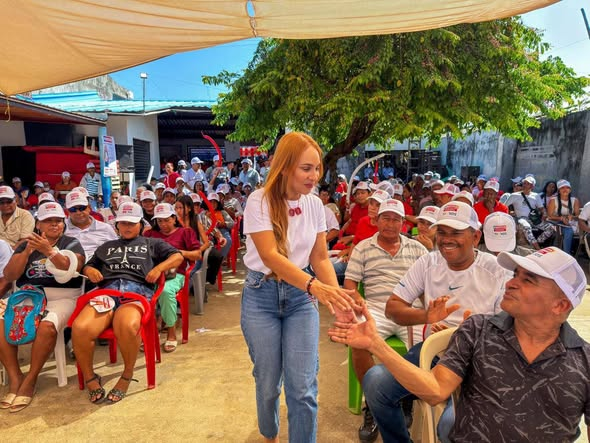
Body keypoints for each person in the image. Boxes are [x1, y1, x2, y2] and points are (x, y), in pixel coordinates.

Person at [330, 246, 589, 443]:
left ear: (560, 305)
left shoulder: (584, 362)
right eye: (515, 275)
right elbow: (436, 389)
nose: (510, 283)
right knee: (379, 382)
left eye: (528, 280)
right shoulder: (478, 330)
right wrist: (376, 344)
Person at [355, 201, 509, 442]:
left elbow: (508, 330)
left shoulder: (498, 271)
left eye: (456, 232)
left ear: (476, 236)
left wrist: (466, 333)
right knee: (375, 382)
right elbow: (392, 309)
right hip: (432, 354)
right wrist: (426, 316)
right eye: (442, 232)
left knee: (452, 424)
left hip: (478, 360)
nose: (447, 240)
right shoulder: (428, 262)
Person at [241, 131, 355, 443]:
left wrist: (338, 301)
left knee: (303, 387)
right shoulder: (259, 201)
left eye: (317, 168)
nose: (314, 176)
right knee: (267, 382)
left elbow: (320, 258)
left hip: (301, 299)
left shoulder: (315, 204)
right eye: (306, 168)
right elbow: (270, 256)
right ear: (285, 167)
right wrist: (315, 287)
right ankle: (270, 434)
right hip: (261, 295)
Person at [71, 202, 183, 403]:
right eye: (123, 223)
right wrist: (90, 270)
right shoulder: (106, 247)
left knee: (126, 324)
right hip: (107, 292)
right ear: (117, 225)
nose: (127, 227)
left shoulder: (152, 243)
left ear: (141, 224)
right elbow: (88, 266)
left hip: (136, 292)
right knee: (80, 327)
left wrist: (159, 269)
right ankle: (90, 377)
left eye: (132, 223)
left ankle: (127, 374)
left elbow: (177, 256)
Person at [344, 199, 428, 442]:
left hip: (409, 310)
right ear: (377, 221)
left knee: (425, 348)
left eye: (396, 219)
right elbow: (350, 284)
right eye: (386, 218)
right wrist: (359, 304)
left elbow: (429, 284)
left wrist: (427, 311)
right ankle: (373, 404)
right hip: (376, 310)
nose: (390, 224)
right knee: (359, 342)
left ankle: (406, 398)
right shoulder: (363, 247)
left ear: (403, 223)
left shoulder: (418, 249)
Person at [0, 202, 85, 412]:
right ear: (39, 224)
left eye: (58, 221)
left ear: (64, 224)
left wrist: (48, 251)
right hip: (28, 295)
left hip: (62, 297)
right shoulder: (26, 244)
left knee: (47, 326)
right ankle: (15, 376)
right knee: (0, 319)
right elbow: (10, 275)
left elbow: (70, 267)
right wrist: (27, 252)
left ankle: (30, 379)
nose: (54, 225)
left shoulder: (72, 243)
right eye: (48, 221)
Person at [144, 203, 202, 352]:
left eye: (167, 220)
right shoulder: (150, 234)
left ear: (174, 218)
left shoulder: (185, 232)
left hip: (176, 274)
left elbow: (197, 254)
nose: (163, 224)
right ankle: (149, 332)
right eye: (160, 221)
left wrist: (177, 253)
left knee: (165, 291)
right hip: (151, 273)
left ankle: (171, 331)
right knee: (137, 291)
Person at [64, 190, 117, 261]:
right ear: (67, 211)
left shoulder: (105, 228)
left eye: (82, 208)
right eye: (73, 209)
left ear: (89, 208)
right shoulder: (61, 228)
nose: (78, 212)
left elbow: (116, 250)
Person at [505, 175, 554, 250]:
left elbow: (541, 208)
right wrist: (509, 214)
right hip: (521, 218)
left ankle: (537, 242)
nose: (525, 185)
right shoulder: (514, 195)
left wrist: (544, 214)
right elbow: (503, 206)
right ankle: (537, 248)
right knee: (526, 226)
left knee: (550, 228)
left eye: (528, 184)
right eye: (524, 183)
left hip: (533, 218)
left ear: (532, 186)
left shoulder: (536, 196)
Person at [547, 179, 580, 255]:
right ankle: (564, 253)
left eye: (567, 188)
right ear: (559, 190)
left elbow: (578, 216)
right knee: (565, 231)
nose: (565, 189)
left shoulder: (575, 200)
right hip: (555, 222)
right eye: (562, 188)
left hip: (569, 223)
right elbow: (550, 216)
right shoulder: (553, 200)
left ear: (570, 190)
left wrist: (572, 217)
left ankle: (566, 254)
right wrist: (561, 218)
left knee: (569, 230)